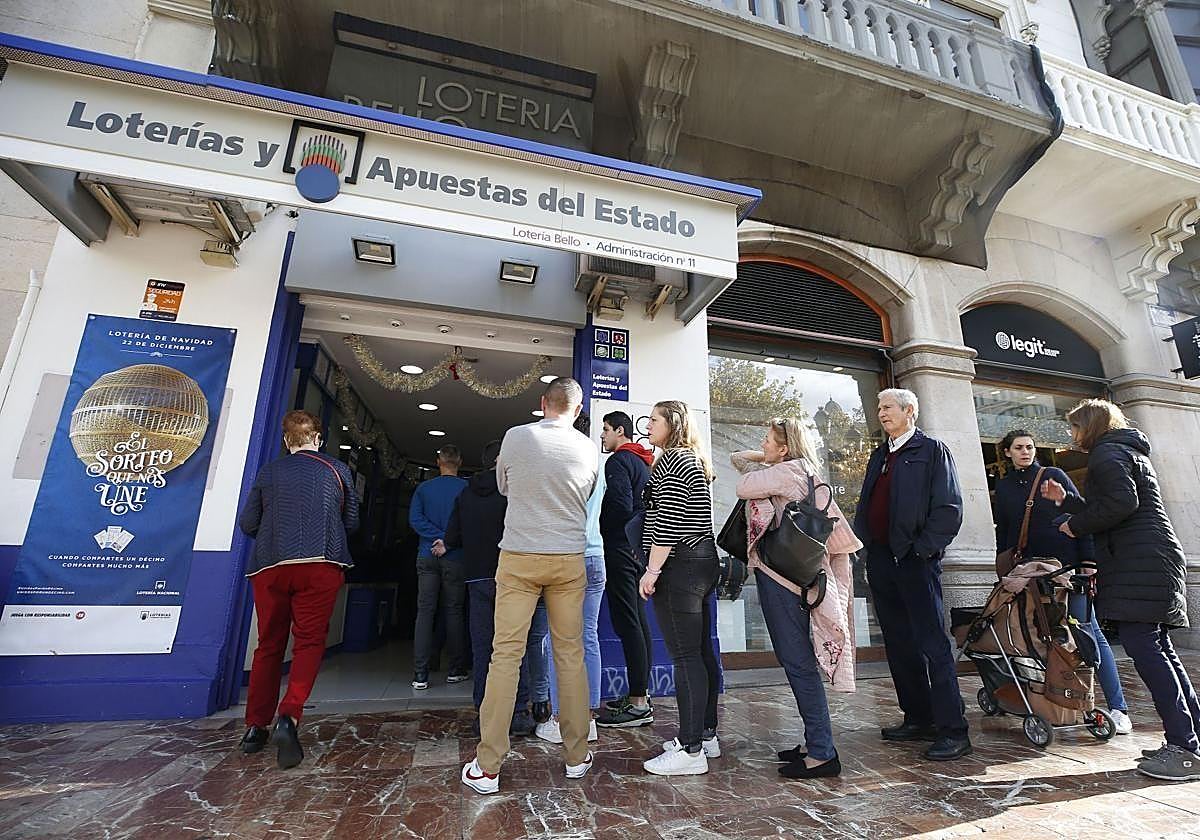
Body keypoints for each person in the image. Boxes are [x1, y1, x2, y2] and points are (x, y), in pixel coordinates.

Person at [1040, 400, 1199, 781]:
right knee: (1159, 649)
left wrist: (1073, 527)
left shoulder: (1107, 453)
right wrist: (1068, 503)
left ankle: (1185, 747)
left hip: (1139, 561)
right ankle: (1190, 739)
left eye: (1074, 427)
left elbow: (1122, 504)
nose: (1071, 435)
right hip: (1151, 556)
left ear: (1089, 426)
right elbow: (1114, 503)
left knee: (1147, 650)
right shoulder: (1124, 450)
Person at [461, 378, 598, 795]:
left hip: (519, 555)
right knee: (569, 655)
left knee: (505, 655)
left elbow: (504, 486)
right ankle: (575, 756)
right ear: (576, 410)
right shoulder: (589, 448)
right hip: (568, 558)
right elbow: (588, 493)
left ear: (543, 403)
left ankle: (488, 767)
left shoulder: (516, 436)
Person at [732, 417, 863, 779]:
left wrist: (764, 458)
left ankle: (822, 753)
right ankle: (814, 742)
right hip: (798, 577)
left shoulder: (786, 472)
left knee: (798, 663)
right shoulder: (802, 471)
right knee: (799, 662)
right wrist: (766, 454)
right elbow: (744, 464)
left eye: (768, 439)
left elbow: (742, 480)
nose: (762, 444)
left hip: (781, 579)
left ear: (784, 448)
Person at [237, 410, 359, 769]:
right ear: (317, 439)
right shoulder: (337, 470)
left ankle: (254, 728)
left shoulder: (270, 471)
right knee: (308, 643)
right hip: (321, 564)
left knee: (269, 645)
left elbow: (248, 523)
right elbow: (351, 521)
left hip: (272, 566)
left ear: (287, 440)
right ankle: (288, 716)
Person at [852, 388, 970, 761]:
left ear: (909, 411)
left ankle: (954, 729)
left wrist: (923, 549)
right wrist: (866, 545)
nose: (881, 413)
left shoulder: (931, 451)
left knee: (933, 645)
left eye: (887, 407)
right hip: (883, 560)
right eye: (879, 407)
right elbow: (868, 503)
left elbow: (949, 507)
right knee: (900, 644)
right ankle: (919, 718)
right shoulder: (880, 455)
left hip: (916, 560)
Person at [993, 429, 1131, 735]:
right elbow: (1005, 530)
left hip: (1068, 568)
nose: (1025, 451)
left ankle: (1118, 707)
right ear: (1007, 452)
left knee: (1087, 632)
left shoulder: (1051, 474)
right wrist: (1004, 567)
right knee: (1044, 637)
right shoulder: (1003, 487)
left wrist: (1089, 562)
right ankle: (1062, 700)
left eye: (1029, 446)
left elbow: (1081, 515)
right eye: (1018, 448)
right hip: (1031, 571)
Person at [637, 400, 721, 777]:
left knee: (686, 657)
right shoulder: (694, 459)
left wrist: (652, 570)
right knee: (700, 653)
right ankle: (704, 735)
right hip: (702, 560)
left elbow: (669, 520)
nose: (648, 424)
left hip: (679, 566)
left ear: (672, 424)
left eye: (654, 419)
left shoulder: (673, 460)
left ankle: (690, 751)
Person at [443, 441, 536, 737]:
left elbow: (452, 538)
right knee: (513, 647)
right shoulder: (513, 493)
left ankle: (484, 714)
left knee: (484, 648)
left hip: (476, 579)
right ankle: (518, 713)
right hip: (511, 577)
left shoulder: (464, 494)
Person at [536, 412, 606, 745]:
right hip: (596, 555)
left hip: (566, 556)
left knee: (557, 641)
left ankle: (560, 718)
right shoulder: (598, 461)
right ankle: (588, 719)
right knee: (588, 637)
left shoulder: (558, 460)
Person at [595, 410, 655, 729]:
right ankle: (639, 693)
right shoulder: (644, 461)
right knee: (638, 621)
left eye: (605, 430)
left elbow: (619, 505)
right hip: (639, 551)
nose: (602, 435)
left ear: (620, 431)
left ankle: (638, 703)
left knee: (628, 621)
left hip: (620, 548)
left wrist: (597, 527)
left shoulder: (618, 461)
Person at [409, 444, 469, 690]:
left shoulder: (424, 488)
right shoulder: (467, 490)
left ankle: (420, 673)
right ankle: (455, 669)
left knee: (425, 612)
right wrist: (448, 539)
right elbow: (469, 523)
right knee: (454, 611)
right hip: (455, 556)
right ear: (460, 462)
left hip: (426, 553)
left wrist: (436, 537)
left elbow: (415, 519)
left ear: (438, 461)